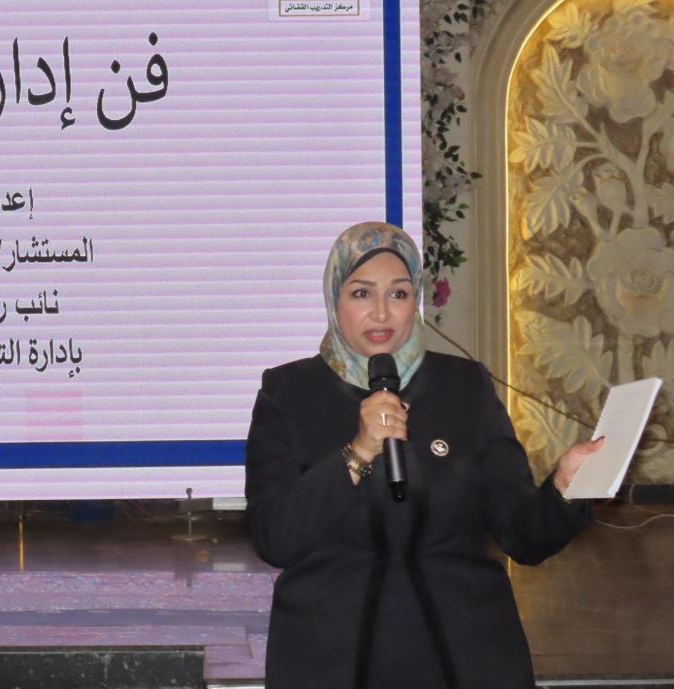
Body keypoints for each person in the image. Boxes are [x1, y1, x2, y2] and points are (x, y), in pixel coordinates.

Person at [245, 221, 602, 689]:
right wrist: (358, 452)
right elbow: (275, 538)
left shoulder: (465, 387)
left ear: (415, 301)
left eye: (398, 294)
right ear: (334, 299)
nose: (381, 312)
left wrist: (565, 488)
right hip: (331, 662)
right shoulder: (289, 393)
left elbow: (522, 535)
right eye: (361, 293)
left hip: (466, 660)